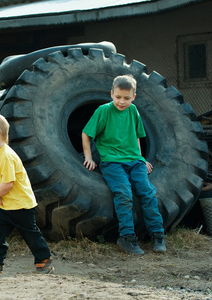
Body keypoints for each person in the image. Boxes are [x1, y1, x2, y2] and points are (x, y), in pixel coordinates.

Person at [82, 74, 166, 255]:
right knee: (124, 193)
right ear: (112, 94)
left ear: (133, 97)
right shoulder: (103, 110)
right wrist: (89, 157)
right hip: (112, 163)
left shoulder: (133, 110)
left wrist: (141, 158)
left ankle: (157, 235)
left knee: (147, 192)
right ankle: (127, 237)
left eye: (126, 98)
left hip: (134, 161)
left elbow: (136, 135)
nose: (122, 101)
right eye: (118, 97)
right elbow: (86, 133)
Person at [0, 113, 54, 274]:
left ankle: (44, 260)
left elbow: (8, 184)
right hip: (8, 205)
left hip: (21, 204)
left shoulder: (6, 155)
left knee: (30, 234)